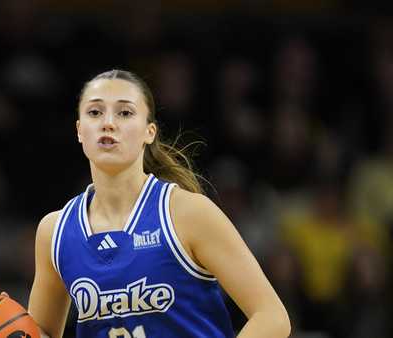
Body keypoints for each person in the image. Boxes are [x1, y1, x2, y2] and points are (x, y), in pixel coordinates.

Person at [27, 70, 290, 338]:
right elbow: (39, 333)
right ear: (80, 131)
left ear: (149, 132)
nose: (108, 123)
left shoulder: (188, 213)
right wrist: (3, 325)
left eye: (125, 113)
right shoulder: (54, 232)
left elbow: (272, 317)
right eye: (95, 112)